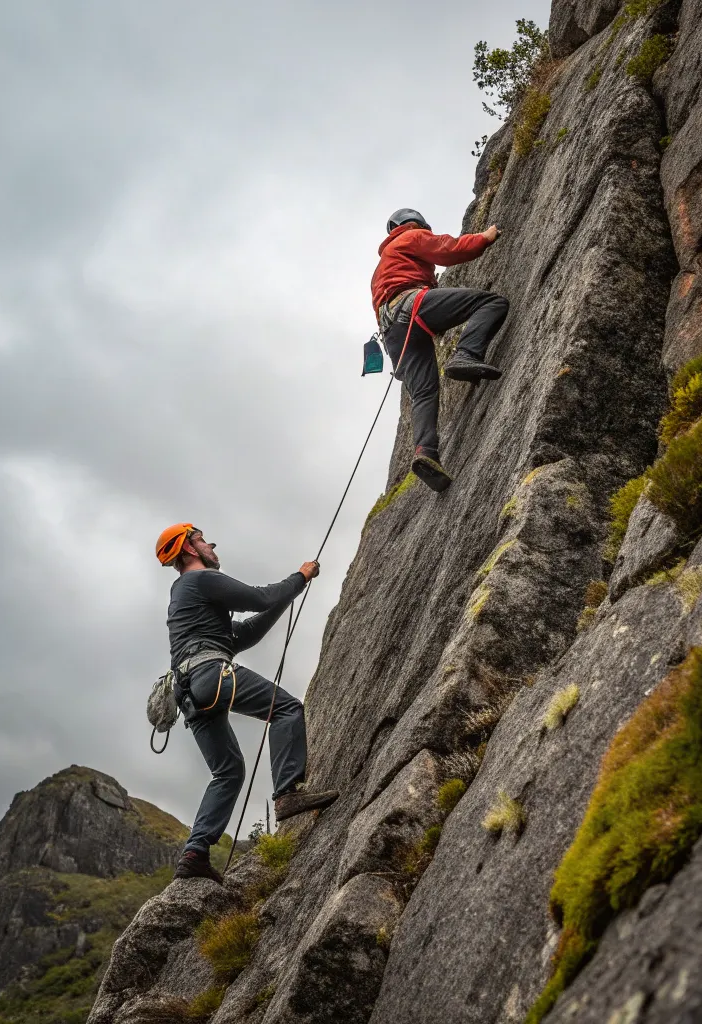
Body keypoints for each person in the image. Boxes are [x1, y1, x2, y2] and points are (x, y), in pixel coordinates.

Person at [156, 523, 339, 884]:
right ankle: (287, 793)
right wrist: (299, 577)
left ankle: (195, 853)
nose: (211, 544)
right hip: (210, 673)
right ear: (190, 549)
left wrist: (286, 594)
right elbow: (259, 598)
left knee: (228, 772)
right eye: (202, 539)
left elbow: (242, 634)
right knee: (286, 709)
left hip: (190, 692)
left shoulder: (187, 599)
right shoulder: (199, 581)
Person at [371, 208, 510, 492]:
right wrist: (484, 237)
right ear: (415, 223)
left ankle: (426, 453)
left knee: (423, 392)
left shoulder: (382, 265)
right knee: (491, 303)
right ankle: (466, 355)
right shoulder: (409, 237)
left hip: (393, 333)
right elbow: (448, 250)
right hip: (411, 307)